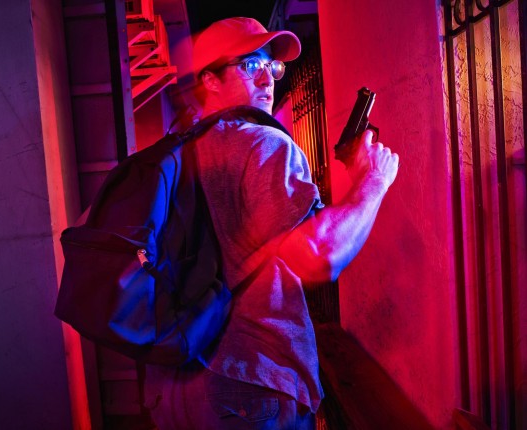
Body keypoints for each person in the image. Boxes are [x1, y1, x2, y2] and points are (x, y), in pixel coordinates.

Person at [144, 17, 399, 429]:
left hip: (177, 384)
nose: (267, 78)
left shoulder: (183, 149)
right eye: (250, 65)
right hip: (251, 386)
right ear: (210, 80)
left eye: (272, 66)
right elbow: (320, 255)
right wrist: (374, 183)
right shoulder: (263, 142)